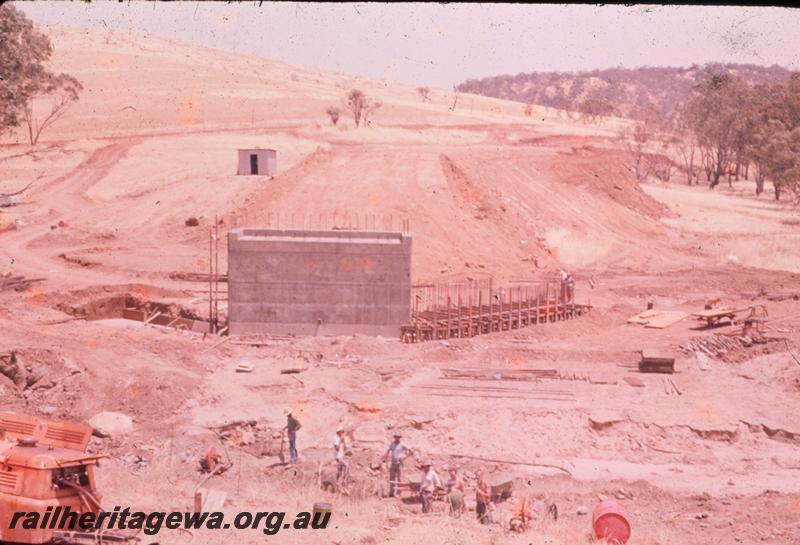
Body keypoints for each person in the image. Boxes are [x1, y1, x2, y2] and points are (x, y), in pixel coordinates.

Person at [384, 433, 410, 497]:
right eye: (396, 437)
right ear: (394, 437)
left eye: (398, 437)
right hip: (393, 463)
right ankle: (391, 492)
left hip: (400, 463)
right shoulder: (392, 444)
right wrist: (385, 458)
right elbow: (388, 451)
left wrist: (405, 456)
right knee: (392, 477)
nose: (397, 438)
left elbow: (410, 451)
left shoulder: (402, 444)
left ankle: (399, 493)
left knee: (400, 478)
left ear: (400, 438)